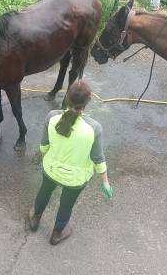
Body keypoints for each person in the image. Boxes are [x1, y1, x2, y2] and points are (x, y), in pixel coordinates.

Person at [29, 80, 112, 245]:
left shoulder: (52, 117)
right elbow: (98, 158)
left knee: (44, 192)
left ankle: (35, 219)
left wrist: (46, 155)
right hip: (76, 180)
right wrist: (105, 182)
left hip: (51, 170)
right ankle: (56, 234)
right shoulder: (94, 128)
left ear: (67, 97)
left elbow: (44, 146)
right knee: (66, 205)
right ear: (88, 101)